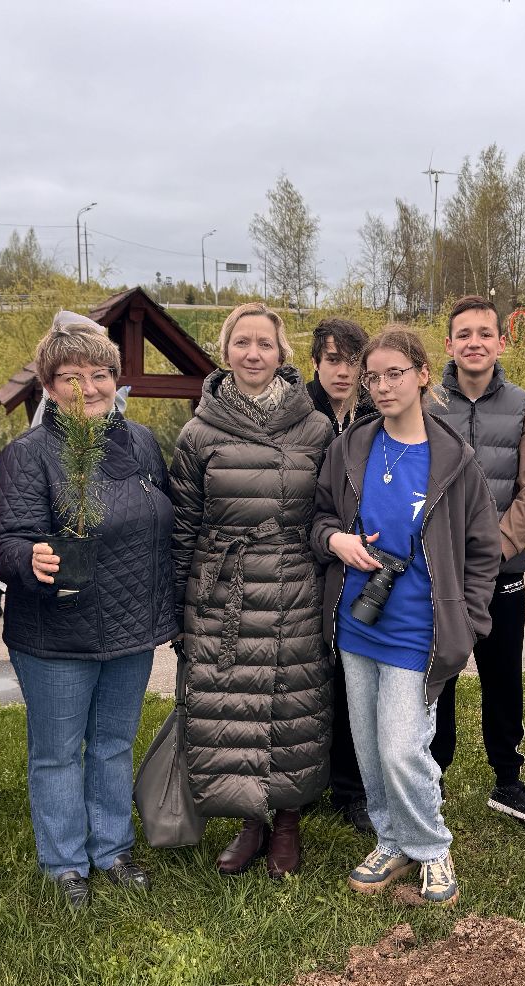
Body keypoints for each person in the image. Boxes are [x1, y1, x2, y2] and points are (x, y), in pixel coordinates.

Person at [0, 311, 178, 908]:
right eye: (71, 376)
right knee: (56, 751)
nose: (87, 387)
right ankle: (66, 861)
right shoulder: (29, 455)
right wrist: (31, 559)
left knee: (114, 743)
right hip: (56, 633)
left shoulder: (143, 444)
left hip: (130, 625)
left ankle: (113, 849)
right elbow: (6, 540)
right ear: (49, 386)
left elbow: (163, 520)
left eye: (98, 374)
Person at [312, 326, 501, 906]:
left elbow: (483, 549)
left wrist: (467, 622)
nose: (383, 386)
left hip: (420, 627)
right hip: (356, 620)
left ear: (422, 374)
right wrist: (337, 543)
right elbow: (318, 518)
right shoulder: (351, 447)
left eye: (395, 373)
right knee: (369, 747)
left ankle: (433, 847)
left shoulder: (455, 461)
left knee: (401, 745)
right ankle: (390, 840)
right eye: (373, 377)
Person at [171, 302, 334, 879]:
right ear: (226, 350)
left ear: (282, 352)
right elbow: (185, 522)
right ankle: (250, 822)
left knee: (293, 703)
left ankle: (287, 823)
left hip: (294, 581)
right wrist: (178, 609)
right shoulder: (199, 432)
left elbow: (330, 509)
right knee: (232, 705)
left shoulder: (315, 427)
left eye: (265, 343)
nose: (253, 354)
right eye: (242, 343)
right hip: (223, 588)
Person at [429, 296, 525, 827]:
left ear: (501, 342)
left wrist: (493, 550)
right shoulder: (427, 405)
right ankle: (431, 774)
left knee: (503, 678)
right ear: (450, 345)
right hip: (439, 574)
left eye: (485, 333)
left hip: (502, 572)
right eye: (464, 334)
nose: (474, 342)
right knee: (440, 675)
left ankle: (508, 778)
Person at [307, 318, 378, 835]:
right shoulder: (298, 415)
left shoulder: (377, 416)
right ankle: (309, 780)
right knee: (310, 680)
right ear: (316, 363)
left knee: (357, 679)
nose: (343, 371)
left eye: (352, 361)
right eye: (333, 360)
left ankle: (353, 788)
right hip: (307, 561)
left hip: (361, 562)